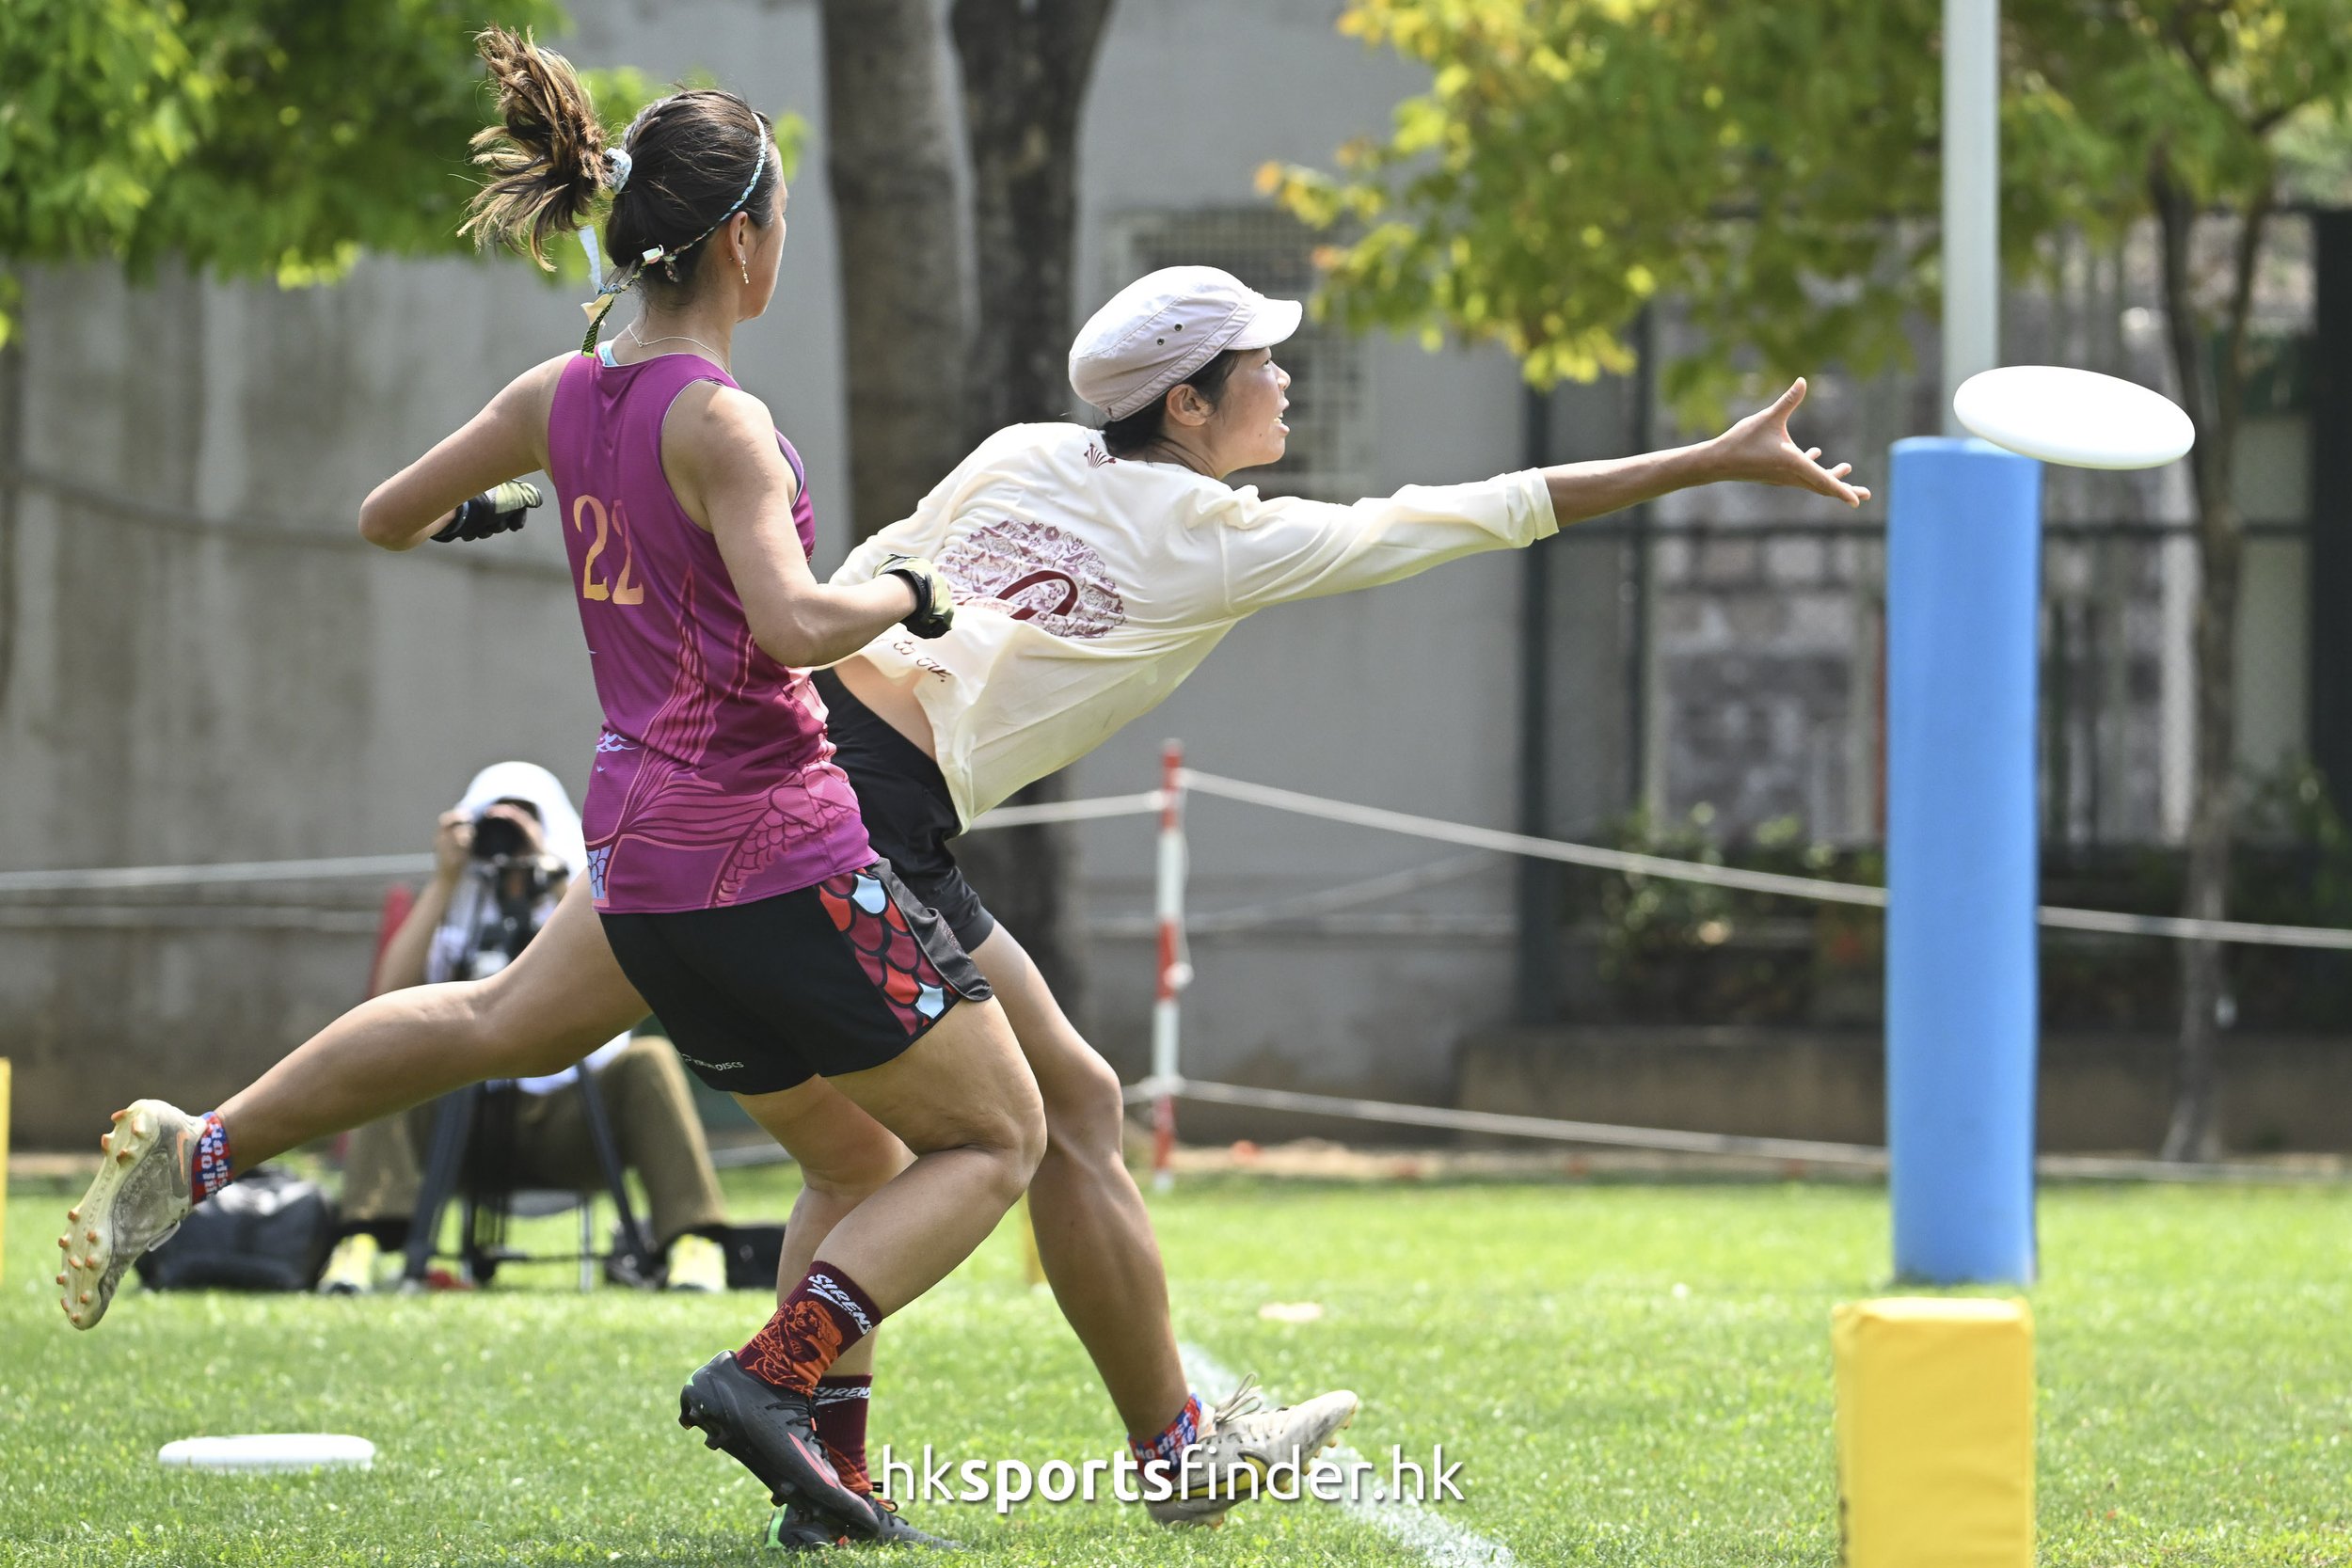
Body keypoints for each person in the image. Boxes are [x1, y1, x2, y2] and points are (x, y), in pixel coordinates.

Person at [58, 153, 1868, 1555]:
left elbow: (847, 579)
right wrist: (1707, 458)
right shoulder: (1228, 540)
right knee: (1008, 1128)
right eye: (1263, 368)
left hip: (719, 771)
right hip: (840, 810)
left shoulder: (1017, 450)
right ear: (1188, 405)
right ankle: (888, 1402)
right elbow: (1480, 510)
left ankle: (208, 1150)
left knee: (614, 1048)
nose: (1285, 389)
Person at [59, 31, 1045, 1549]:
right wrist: (909, 590)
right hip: (776, 848)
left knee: (637, 1075)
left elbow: (388, 516)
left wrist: (511, 500)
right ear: (741, 240)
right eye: (780, 221)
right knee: (997, 1137)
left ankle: (203, 1152)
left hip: (642, 853)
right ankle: (775, 1372)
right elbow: (796, 624)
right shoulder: (724, 420)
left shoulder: (561, 393)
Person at [319, 762, 731, 1295]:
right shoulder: (457, 915)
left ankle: (693, 1244)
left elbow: (624, 963)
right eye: (494, 822)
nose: (508, 838)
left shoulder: (572, 899)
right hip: (460, 1125)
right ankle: (360, 1243)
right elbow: (389, 992)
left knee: (649, 1060)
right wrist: (445, 880)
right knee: (384, 1055)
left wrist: (555, 873)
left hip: (570, 1124)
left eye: (524, 820)